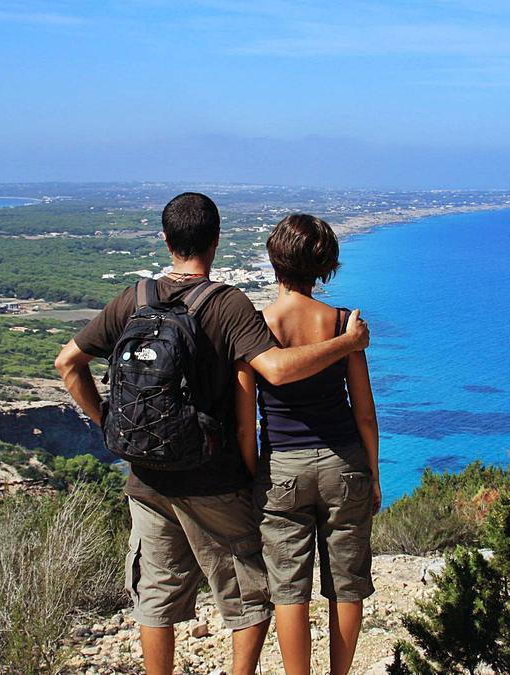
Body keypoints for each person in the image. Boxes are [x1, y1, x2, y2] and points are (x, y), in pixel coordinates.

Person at [54, 193, 370, 675]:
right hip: (219, 479)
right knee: (252, 591)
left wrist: (108, 424)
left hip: (149, 477)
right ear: (217, 240)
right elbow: (293, 384)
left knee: (157, 596)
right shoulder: (230, 306)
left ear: (166, 239)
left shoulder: (133, 298)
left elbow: (67, 363)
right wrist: (347, 343)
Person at [235, 213, 380, 675]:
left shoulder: (256, 327)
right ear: (324, 266)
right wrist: (372, 474)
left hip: (281, 470)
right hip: (344, 464)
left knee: (287, 588)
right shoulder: (344, 324)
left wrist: (252, 477)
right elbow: (365, 413)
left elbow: (244, 421)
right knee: (347, 583)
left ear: (275, 260)